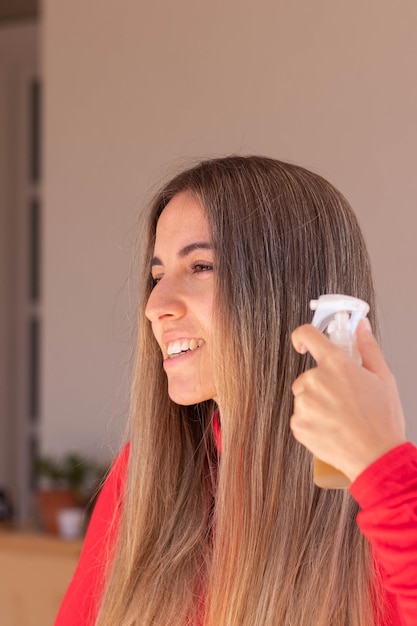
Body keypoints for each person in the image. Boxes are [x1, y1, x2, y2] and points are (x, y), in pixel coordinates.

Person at [55, 156, 417, 626]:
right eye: (158, 274)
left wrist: (384, 472)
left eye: (201, 266)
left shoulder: (386, 502)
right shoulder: (145, 474)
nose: (155, 306)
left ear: (287, 290)